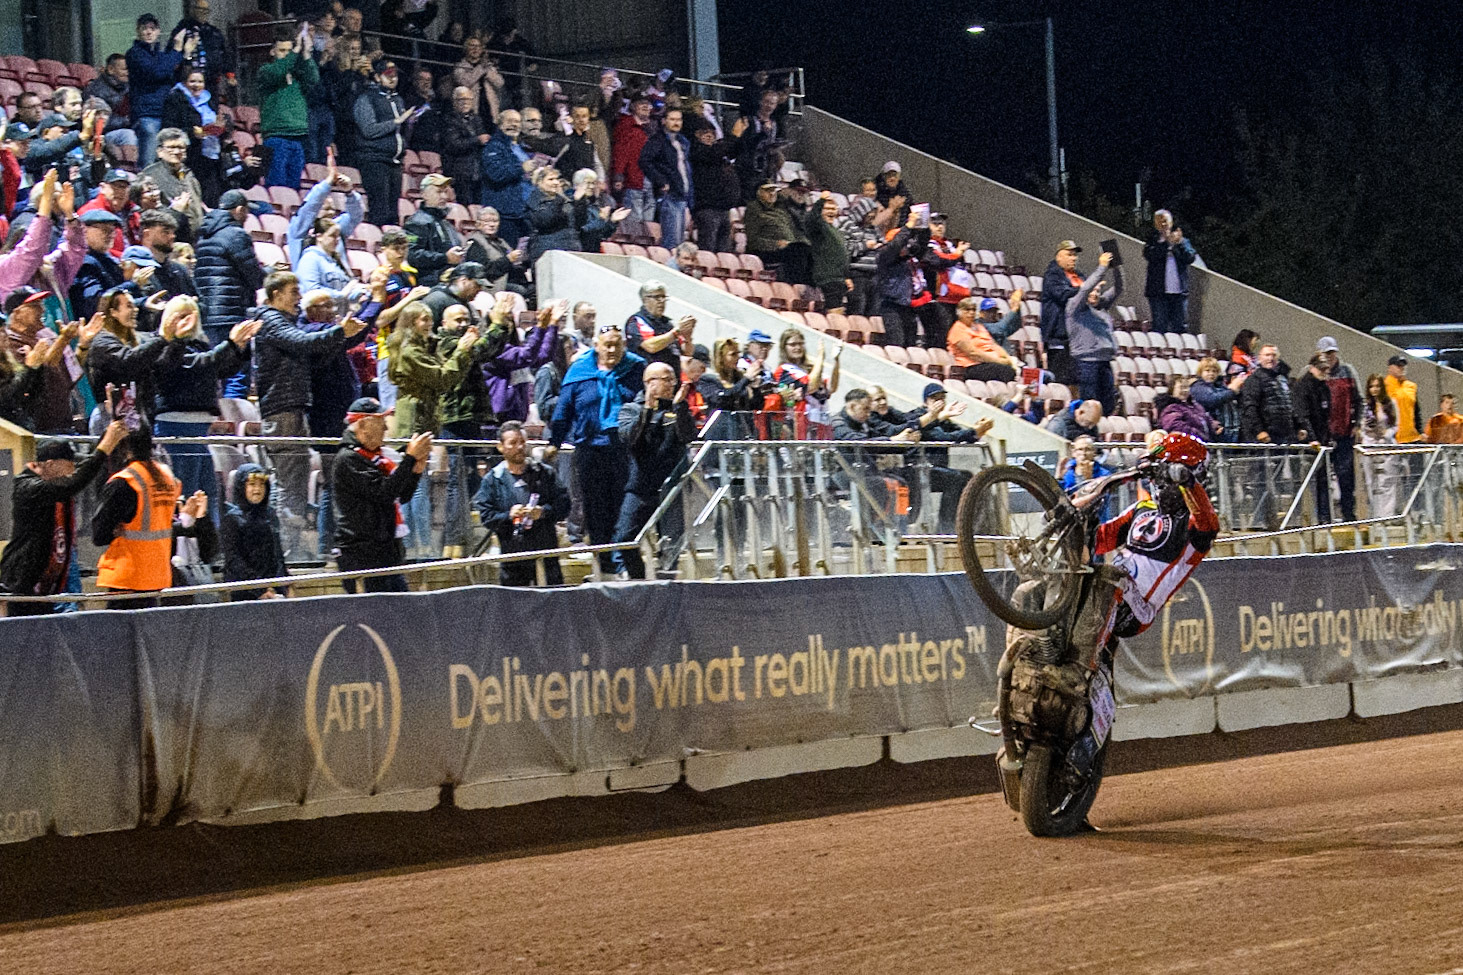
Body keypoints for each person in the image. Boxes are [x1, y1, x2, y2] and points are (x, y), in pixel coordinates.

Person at [255, 271, 368, 521]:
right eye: (294, 292)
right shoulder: (271, 320)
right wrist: (340, 332)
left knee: (296, 477)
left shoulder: (283, 321)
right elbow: (303, 343)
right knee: (289, 480)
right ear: (276, 294)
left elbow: (312, 351)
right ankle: (287, 551)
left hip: (293, 407)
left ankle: (290, 548)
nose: (299, 297)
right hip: (281, 408)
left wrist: (341, 335)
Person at [0, 421, 127, 615]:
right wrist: (104, 447)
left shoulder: (52, 482)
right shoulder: (28, 486)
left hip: (47, 585)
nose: (72, 470)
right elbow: (73, 484)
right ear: (50, 465)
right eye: (69, 465)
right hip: (23, 584)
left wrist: (107, 444)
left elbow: (84, 473)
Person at [549, 326, 646, 573]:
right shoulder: (579, 371)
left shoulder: (636, 369)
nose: (612, 350)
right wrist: (554, 443)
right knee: (596, 510)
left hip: (627, 452)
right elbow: (563, 411)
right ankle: (606, 566)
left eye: (617, 344)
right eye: (607, 344)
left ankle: (626, 565)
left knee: (624, 509)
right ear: (596, 345)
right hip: (590, 451)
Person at [152, 294, 257, 514]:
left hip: (200, 429)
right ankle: (183, 544)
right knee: (187, 492)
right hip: (176, 426)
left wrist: (239, 346)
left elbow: (221, 368)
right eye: (181, 316)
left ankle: (207, 544)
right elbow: (200, 364)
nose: (188, 321)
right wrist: (230, 343)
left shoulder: (198, 344)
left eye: (192, 316)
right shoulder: (164, 346)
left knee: (207, 494)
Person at [91, 426, 213, 602]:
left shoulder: (125, 481)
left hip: (128, 578)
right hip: (159, 575)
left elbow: (99, 535)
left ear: (123, 447)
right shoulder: (167, 477)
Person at [332, 397, 433, 592]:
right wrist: (410, 458)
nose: (386, 429)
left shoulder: (378, 459)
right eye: (381, 422)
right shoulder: (348, 459)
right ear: (363, 425)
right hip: (361, 555)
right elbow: (383, 493)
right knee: (373, 618)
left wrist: (415, 471)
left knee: (401, 613)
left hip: (386, 550)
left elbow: (400, 496)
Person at [612, 361, 695, 579]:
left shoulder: (677, 409)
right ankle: (638, 578)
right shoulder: (631, 409)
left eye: (672, 380)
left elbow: (689, 437)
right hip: (641, 488)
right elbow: (632, 440)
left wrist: (680, 408)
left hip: (672, 488)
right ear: (649, 383)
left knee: (671, 544)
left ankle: (666, 584)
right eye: (665, 380)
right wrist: (648, 412)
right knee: (624, 537)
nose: (670, 385)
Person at [473, 420, 571, 585]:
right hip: (513, 558)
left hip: (545, 552)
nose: (519, 447)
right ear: (501, 447)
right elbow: (487, 516)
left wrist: (543, 512)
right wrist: (508, 516)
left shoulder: (544, 473)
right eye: (513, 443)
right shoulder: (493, 480)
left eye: (522, 442)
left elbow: (564, 504)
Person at [903, 382, 995, 532]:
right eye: (935, 399)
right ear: (926, 401)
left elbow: (961, 434)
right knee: (956, 478)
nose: (940, 402)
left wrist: (977, 430)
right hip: (917, 469)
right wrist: (974, 431)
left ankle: (961, 526)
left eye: (942, 398)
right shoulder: (919, 417)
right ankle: (946, 529)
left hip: (936, 469)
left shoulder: (944, 419)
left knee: (968, 477)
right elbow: (942, 437)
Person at [1294, 351, 1361, 522]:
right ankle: (1323, 516)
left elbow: (1327, 414)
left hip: (1327, 438)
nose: (1324, 372)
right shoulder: (1303, 386)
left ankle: (1345, 513)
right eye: (1320, 369)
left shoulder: (1324, 386)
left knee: (1341, 476)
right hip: (1314, 441)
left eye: (1325, 369)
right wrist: (1311, 436)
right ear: (1312, 368)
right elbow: (1303, 414)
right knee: (1319, 479)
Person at [194, 188, 264, 344]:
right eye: (246, 212)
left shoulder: (204, 235)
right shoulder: (236, 234)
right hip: (231, 313)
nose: (247, 217)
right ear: (240, 210)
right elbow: (254, 276)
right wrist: (270, 273)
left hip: (208, 314)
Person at [258, 22, 321, 190]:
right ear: (272, 51)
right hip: (276, 136)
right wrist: (294, 51)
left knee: (294, 190)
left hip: (297, 136)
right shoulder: (266, 71)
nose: (286, 55)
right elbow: (279, 71)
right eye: (282, 51)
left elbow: (313, 79)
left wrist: (306, 53)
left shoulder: (297, 74)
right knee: (276, 187)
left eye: (288, 50)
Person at [127, 13, 190, 166]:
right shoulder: (134, 53)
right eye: (144, 28)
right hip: (147, 114)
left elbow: (174, 77)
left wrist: (185, 55)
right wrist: (176, 50)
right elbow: (156, 73)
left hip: (165, 113)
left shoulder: (161, 56)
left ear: (158, 31)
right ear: (138, 31)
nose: (149, 32)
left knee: (167, 162)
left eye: (152, 28)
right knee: (148, 163)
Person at [219, 464, 288, 601]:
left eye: (261, 484)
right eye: (252, 484)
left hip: (273, 590)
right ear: (241, 487)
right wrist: (259, 590)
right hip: (246, 592)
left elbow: (277, 554)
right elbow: (233, 561)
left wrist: (286, 586)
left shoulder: (270, 515)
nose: (257, 489)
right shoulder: (232, 519)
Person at [1065, 250, 1122, 417]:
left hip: (1105, 362)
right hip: (1086, 363)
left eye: (1098, 291)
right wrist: (1101, 268)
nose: (1096, 294)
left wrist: (1116, 267)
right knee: (1090, 404)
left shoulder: (1102, 308)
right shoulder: (1075, 307)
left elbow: (1119, 288)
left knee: (1108, 404)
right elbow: (1084, 289)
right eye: (1094, 291)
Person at [353, 60, 408, 228]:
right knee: (380, 209)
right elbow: (368, 129)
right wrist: (396, 121)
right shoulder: (366, 98)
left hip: (394, 161)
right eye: (387, 75)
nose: (393, 79)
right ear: (377, 77)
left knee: (392, 212)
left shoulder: (398, 100)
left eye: (395, 75)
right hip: (374, 160)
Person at [161, 66, 222, 205]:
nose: (197, 85)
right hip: (189, 156)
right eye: (192, 81)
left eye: (200, 82)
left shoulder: (209, 100)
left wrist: (221, 127)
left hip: (210, 155)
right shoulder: (175, 99)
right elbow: (170, 129)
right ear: (184, 83)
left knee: (211, 196)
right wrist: (193, 133)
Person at [873, 212, 932, 347]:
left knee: (910, 344)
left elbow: (922, 245)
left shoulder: (907, 258)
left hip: (908, 305)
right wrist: (908, 226)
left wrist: (923, 227)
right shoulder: (885, 256)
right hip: (892, 305)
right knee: (896, 343)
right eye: (904, 243)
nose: (907, 246)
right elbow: (895, 247)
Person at [638, 107, 693, 249]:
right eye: (672, 119)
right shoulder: (658, 140)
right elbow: (644, 161)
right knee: (672, 242)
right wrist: (661, 181)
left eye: (679, 119)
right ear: (664, 121)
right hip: (669, 195)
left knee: (680, 242)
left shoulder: (683, 142)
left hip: (682, 195)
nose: (676, 123)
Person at [689, 119, 744, 254]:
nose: (709, 135)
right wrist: (734, 135)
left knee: (724, 252)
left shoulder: (718, 154)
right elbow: (716, 152)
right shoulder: (697, 151)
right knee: (708, 249)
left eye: (712, 132)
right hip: (708, 208)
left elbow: (734, 150)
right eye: (704, 132)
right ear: (696, 135)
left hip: (724, 209)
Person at [481, 109, 534, 243]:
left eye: (517, 121)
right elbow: (496, 174)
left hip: (521, 212)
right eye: (510, 121)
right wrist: (521, 168)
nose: (514, 125)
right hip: (503, 213)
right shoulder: (493, 147)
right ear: (499, 124)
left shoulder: (519, 147)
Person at [743, 181, 811, 285]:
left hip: (787, 248)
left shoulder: (781, 210)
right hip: (764, 251)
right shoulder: (754, 209)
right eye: (767, 191)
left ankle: (808, 288)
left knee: (810, 250)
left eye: (774, 191)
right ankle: (794, 285)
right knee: (798, 251)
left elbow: (797, 230)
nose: (771, 194)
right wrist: (776, 244)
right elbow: (752, 241)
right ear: (759, 193)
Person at [404, 174, 467, 283]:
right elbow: (412, 255)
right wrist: (445, 257)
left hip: (448, 280)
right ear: (424, 195)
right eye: (438, 192)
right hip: (431, 284)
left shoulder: (445, 222)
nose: (444, 196)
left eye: (445, 192)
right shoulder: (417, 222)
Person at [142, 128, 205, 236]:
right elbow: (149, 213)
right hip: (169, 238)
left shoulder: (189, 175)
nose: (176, 152)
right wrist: (175, 211)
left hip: (195, 239)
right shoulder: (149, 176)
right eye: (171, 147)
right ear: (159, 151)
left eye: (181, 147)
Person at [1142, 210, 1196, 334]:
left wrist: (1178, 244)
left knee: (1179, 327)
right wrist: (1167, 244)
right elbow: (1150, 255)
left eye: (1165, 221)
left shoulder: (1182, 241)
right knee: (1160, 326)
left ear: (1171, 223)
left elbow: (1190, 257)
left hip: (1179, 293)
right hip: (1158, 293)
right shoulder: (1152, 241)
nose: (1163, 224)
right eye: (1159, 221)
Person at [1040, 240, 1084, 385]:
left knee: (1077, 380)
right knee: (1060, 379)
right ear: (1059, 257)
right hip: (1058, 335)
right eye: (1069, 254)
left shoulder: (1080, 276)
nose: (1074, 258)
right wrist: (1085, 290)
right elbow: (1063, 295)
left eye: (1075, 255)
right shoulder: (1053, 275)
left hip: (1078, 336)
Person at [623, 280, 694, 371]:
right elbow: (651, 346)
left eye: (664, 297)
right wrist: (676, 331)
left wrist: (687, 336)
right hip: (648, 378)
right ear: (645, 300)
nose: (662, 301)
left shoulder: (668, 324)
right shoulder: (637, 321)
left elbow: (687, 353)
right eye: (657, 297)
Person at [167, 0, 234, 96]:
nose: (203, 13)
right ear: (192, 10)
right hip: (188, 83)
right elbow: (172, 56)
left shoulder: (214, 33)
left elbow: (224, 55)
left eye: (206, 10)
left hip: (210, 82)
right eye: (200, 9)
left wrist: (229, 74)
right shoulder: (181, 31)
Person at [1240, 344, 1303, 444]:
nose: (1270, 358)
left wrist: (1299, 427)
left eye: (1273, 355)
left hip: (1286, 435)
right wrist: (1259, 430)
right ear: (1260, 358)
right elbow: (1250, 407)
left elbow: (1289, 405)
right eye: (1267, 355)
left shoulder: (1283, 379)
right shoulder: (1254, 380)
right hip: (1266, 436)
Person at [948, 295, 1020, 382]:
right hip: (972, 366)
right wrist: (998, 361)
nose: (971, 313)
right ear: (959, 312)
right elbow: (973, 353)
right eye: (967, 310)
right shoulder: (958, 329)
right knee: (1005, 371)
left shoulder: (979, 327)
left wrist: (1008, 359)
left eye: (973, 310)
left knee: (1014, 368)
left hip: (989, 363)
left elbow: (994, 345)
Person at [70, 210, 127, 321]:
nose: (111, 235)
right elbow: (96, 301)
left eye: (113, 231)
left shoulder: (108, 259)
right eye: (105, 230)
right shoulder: (84, 262)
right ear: (84, 230)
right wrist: (132, 284)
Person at [1360, 373, 1401, 518]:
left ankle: (1387, 515)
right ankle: (1375, 515)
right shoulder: (1365, 406)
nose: (1374, 389)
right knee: (1371, 482)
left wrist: (1386, 434)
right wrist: (1368, 441)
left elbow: (1396, 426)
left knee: (1387, 481)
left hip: (1387, 445)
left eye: (1377, 386)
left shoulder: (1391, 403)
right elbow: (1362, 426)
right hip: (1369, 447)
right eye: (1371, 386)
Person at [611, 94, 655, 223]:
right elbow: (620, 152)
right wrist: (618, 175)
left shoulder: (653, 130)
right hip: (633, 179)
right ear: (633, 106)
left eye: (648, 104)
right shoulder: (626, 126)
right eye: (642, 103)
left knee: (649, 224)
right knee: (633, 222)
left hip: (651, 181)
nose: (646, 106)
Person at [440, 86, 488, 204]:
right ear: (454, 101)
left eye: (468, 99)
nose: (465, 102)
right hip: (459, 172)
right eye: (461, 99)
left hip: (477, 171)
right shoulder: (448, 120)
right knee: (464, 205)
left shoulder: (476, 119)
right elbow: (453, 144)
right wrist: (477, 140)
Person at [296, 218, 363, 301]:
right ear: (319, 237)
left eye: (338, 236)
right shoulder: (310, 258)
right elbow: (311, 290)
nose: (337, 239)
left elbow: (348, 288)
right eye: (332, 235)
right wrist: (340, 295)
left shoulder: (338, 260)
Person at [808, 195, 853, 313]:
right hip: (828, 277)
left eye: (833, 209)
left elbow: (842, 255)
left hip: (838, 278)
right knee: (835, 311)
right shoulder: (819, 228)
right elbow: (811, 219)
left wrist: (846, 276)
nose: (831, 211)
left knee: (840, 310)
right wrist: (820, 201)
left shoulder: (835, 230)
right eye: (827, 208)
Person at [86, 54, 138, 154]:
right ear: (110, 69)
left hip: (129, 126)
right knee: (128, 135)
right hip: (104, 134)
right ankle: (130, 168)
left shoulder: (129, 87)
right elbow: (97, 121)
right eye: (125, 69)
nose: (128, 73)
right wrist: (125, 121)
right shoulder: (95, 90)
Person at [1189, 356, 1244, 442]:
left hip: (1231, 430)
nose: (1211, 373)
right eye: (1207, 370)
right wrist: (1232, 390)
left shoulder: (1221, 386)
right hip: (1215, 431)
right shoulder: (1198, 387)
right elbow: (1213, 399)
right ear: (1200, 372)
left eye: (1214, 371)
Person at [1157, 374, 1219, 442]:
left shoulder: (1196, 406)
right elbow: (1175, 426)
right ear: (1172, 390)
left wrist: (1213, 426)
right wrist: (1199, 435)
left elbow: (1205, 418)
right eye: (1181, 387)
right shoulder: (1171, 408)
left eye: (1186, 387)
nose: (1184, 390)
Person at [1384, 355, 1424, 447]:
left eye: (1403, 366)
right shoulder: (1383, 386)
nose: (1402, 368)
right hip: (1392, 438)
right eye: (1398, 366)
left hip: (1412, 437)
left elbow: (1416, 411)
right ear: (1390, 368)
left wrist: (1420, 431)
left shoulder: (1411, 386)